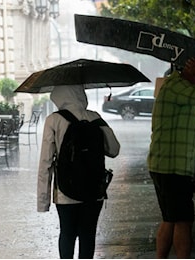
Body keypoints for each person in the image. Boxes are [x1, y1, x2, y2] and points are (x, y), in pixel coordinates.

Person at [148, 54, 195, 258]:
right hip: (172, 167)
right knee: (183, 221)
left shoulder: (178, 88)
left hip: (166, 165)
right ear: (189, 69)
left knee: (171, 218)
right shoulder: (176, 86)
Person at [37, 85, 120, 259]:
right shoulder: (95, 117)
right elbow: (114, 149)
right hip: (94, 189)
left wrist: (43, 202)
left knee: (67, 234)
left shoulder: (54, 120)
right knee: (88, 235)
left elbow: (45, 162)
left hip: (66, 191)